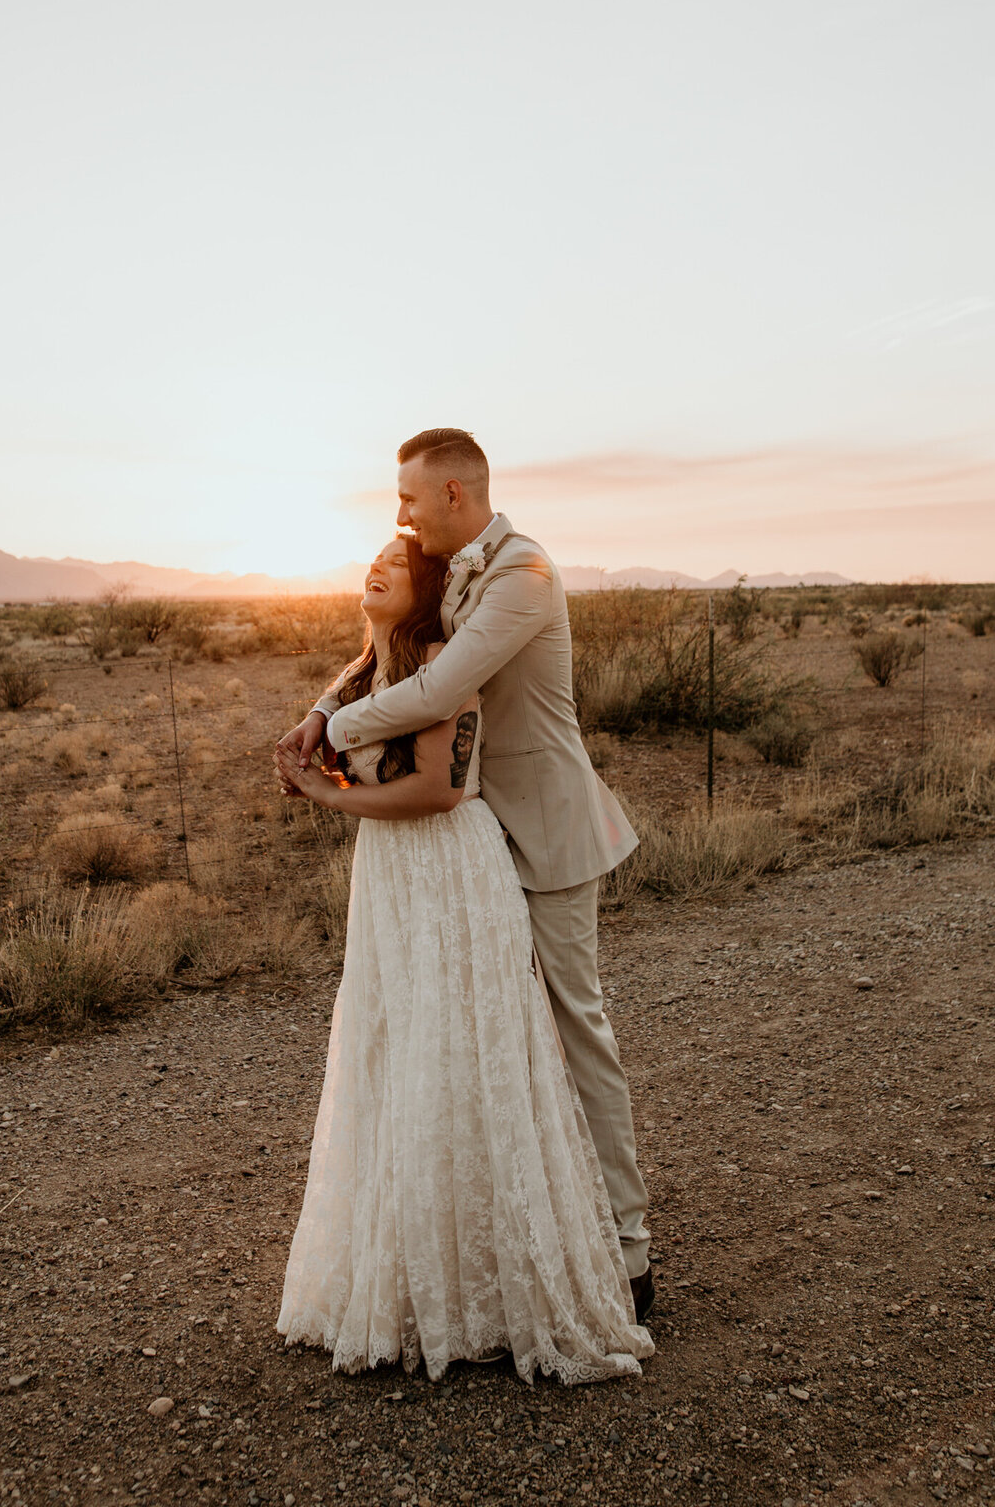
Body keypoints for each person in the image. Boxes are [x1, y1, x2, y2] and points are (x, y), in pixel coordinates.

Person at [278, 428, 655, 1320]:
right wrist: (321, 705)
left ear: (455, 493)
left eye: (409, 497)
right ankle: (509, 1231)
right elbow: (391, 646)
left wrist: (333, 739)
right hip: (475, 844)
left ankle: (629, 1249)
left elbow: (441, 690)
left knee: (574, 1026)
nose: (399, 513)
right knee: (484, 1034)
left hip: (548, 833)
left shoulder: (523, 575)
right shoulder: (445, 566)